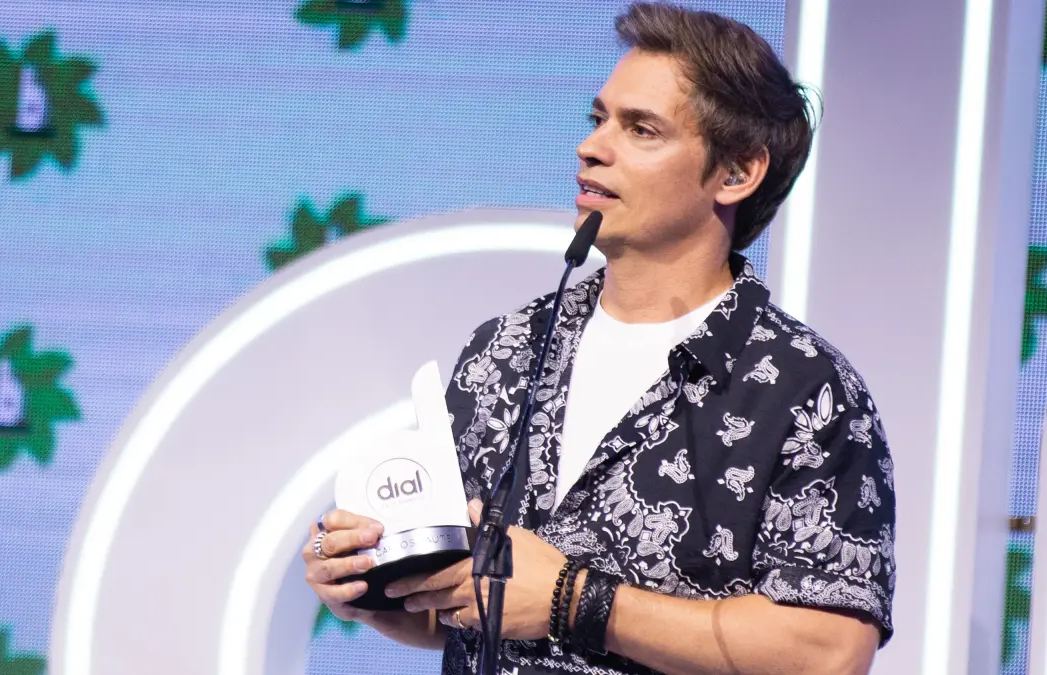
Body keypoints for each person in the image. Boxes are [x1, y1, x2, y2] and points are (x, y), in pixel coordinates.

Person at [304, 3, 896, 673]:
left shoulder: (805, 388)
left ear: (736, 173)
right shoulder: (505, 351)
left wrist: (572, 600)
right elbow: (465, 611)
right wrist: (366, 585)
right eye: (597, 119)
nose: (592, 147)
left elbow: (828, 653)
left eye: (641, 129)